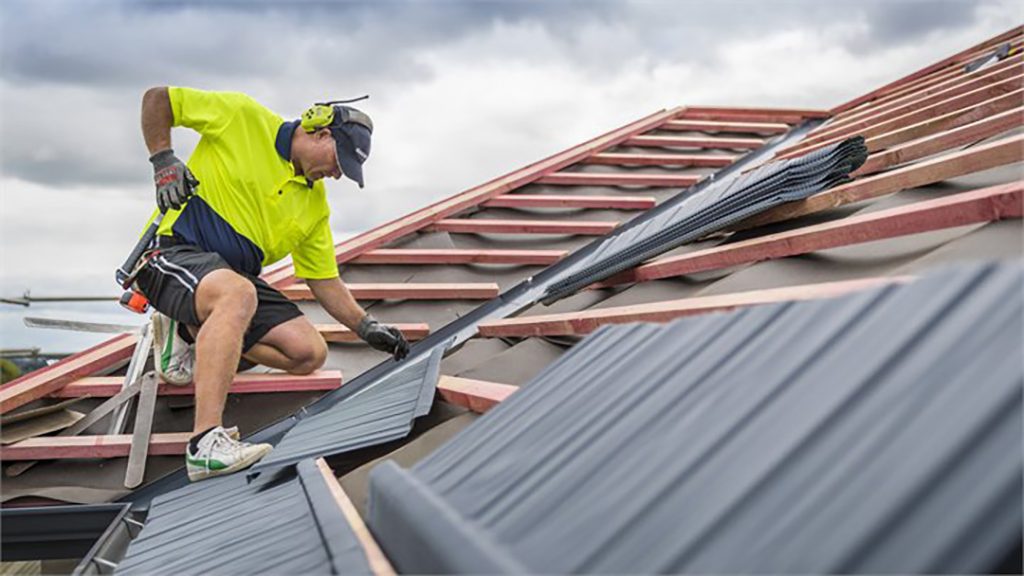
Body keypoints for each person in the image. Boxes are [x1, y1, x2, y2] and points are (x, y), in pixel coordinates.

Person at [134, 87, 410, 482]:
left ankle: (190, 333)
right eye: (338, 162)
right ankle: (205, 443)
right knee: (238, 293)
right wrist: (164, 160)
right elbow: (158, 98)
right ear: (320, 133)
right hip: (172, 252)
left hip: (228, 281)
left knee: (308, 353)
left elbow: (323, 279)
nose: (336, 174)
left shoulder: (315, 206)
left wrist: (366, 326)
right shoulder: (243, 117)